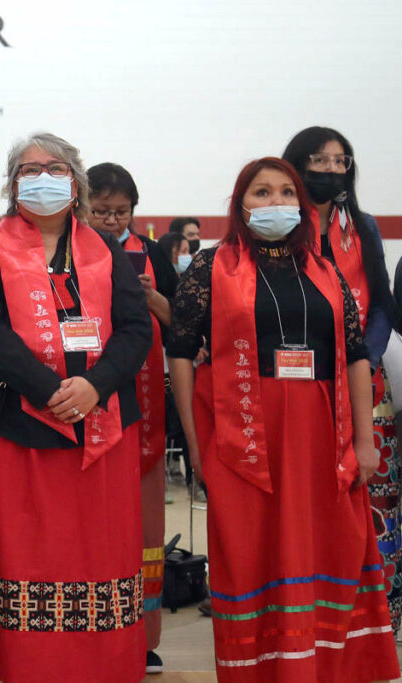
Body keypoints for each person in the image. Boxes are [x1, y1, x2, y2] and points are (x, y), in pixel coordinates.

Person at [167, 157, 399, 682]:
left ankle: (327, 668)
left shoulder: (324, 268)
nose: (275, 203)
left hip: (324, 433)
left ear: (301, 204)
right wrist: (195, 443)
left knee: (333, 547)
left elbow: (358, 354)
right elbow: (180, 352)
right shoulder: (211, 267)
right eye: (261, 192)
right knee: (252, 551)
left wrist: (366, 441)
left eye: (285, 193)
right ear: (239, 204)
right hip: (243, 435)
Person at [0, 132, 152, 682]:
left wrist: (95, 386)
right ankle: (31, 666)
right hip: (20, 428)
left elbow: (135, 329)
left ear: (76, 181)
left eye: (55, 167)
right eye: (29, 168)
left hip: (102, 425)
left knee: (100, 554)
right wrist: (47, 389)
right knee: (32, 554)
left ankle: (103, 666)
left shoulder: (105, 248)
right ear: (12, 184)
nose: (42, 177)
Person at [283, 127, 402, 633]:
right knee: (310, 505)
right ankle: (310, 612)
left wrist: (365, 360)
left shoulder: (364, 226)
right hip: (299, 385)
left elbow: (381, 305)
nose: (331, 170)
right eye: (319, 160)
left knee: (377, 499)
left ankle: (379, 615)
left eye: (340, 161)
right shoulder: (281, 224)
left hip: (364, 386)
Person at [86, 162, 178, 675]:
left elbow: (179, 320)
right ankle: (96, 624)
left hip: (142, 400)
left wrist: (146, 296)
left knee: (143, 520)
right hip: (87, 394)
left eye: (120, 212)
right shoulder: (69, 249)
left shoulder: (152, 252)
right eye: (100, 211)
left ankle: (143, 637)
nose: (111, 220)